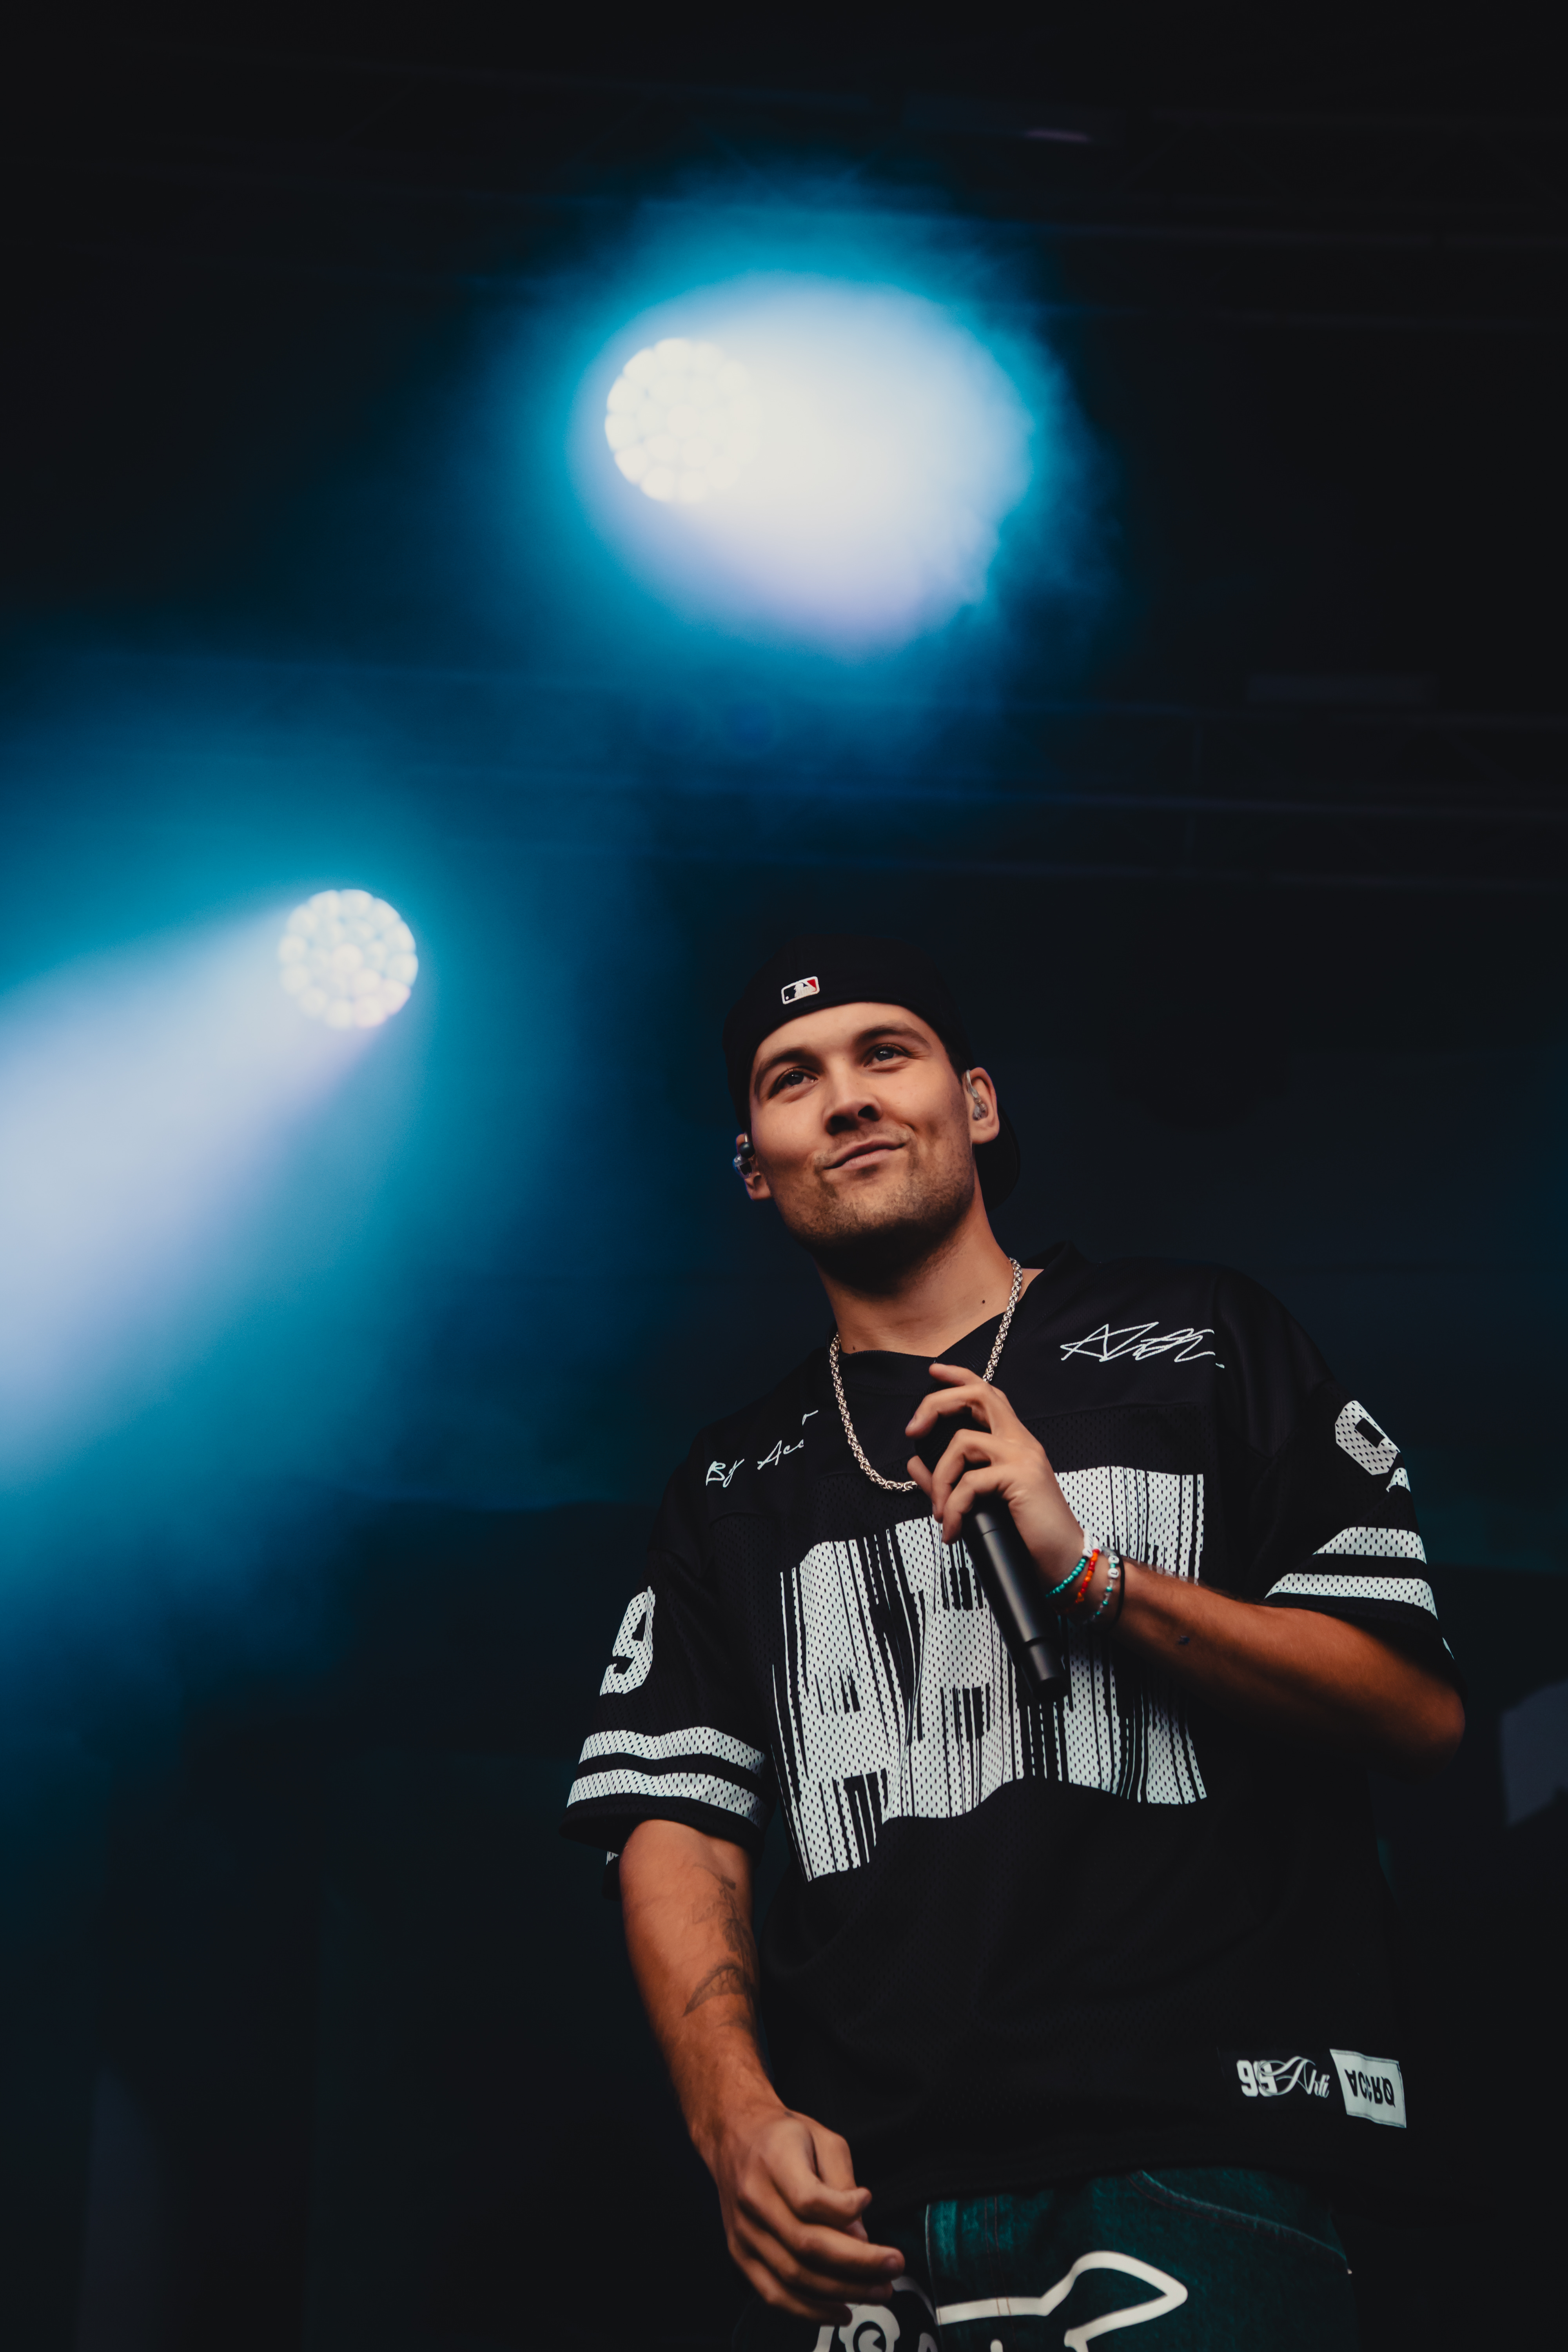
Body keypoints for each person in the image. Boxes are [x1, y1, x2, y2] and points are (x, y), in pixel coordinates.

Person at [560, 933, 1463, 2350]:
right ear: (754, 1168)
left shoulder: (1203, 1340)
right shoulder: (732, 1482)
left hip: (1200, 2150)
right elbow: (677, 1818)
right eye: (793, 1079)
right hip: (869, 2208)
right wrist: (734, 2118)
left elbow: (1414, 1711)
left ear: (976, 1103)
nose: (847, 1098)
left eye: (886, 1054)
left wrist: (1095, 1578)